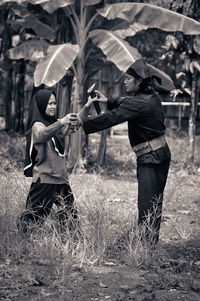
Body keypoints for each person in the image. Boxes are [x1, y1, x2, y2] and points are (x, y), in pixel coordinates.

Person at [77, 59, 171, 244]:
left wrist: (83, 122)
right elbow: (126, 101)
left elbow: (112, 118)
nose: (124, 81)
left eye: (128, 79)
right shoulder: (151, 98)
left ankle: (144, 247)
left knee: (146, 204)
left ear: (139, 82)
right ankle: (149, 242)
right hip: (160, 154)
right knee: (154, 203)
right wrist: (107, 101)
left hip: (151, 158)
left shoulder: (138, 104)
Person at [17, 89, 78, 235]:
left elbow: (65, 130)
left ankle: (71, 241)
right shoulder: (38, 125)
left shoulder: (52, 124)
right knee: (32, 217)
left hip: (60, 178)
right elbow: (42, 135)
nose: (53, 106)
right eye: (50, 103)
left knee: (70, 215)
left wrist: (87, 106)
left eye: (55, 103)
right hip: (45, 179)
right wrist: (62, 121)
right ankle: (20, 243)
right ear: (41, 104)